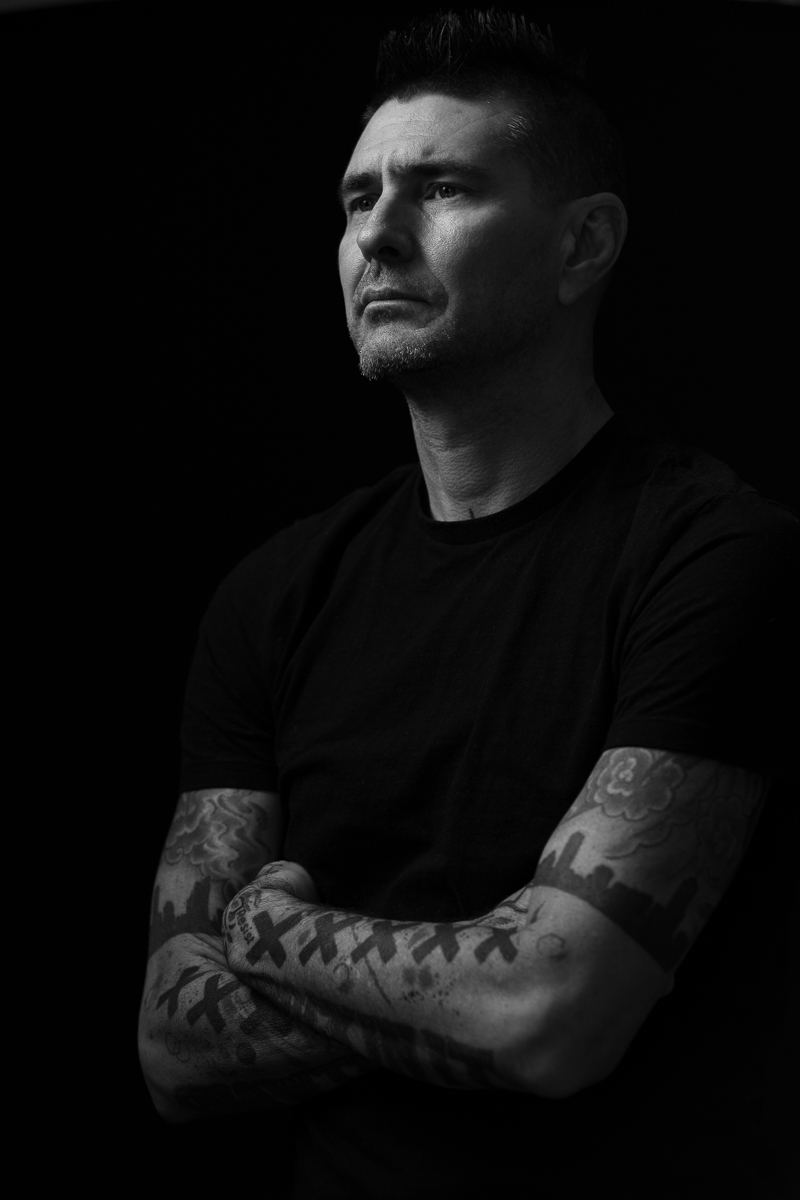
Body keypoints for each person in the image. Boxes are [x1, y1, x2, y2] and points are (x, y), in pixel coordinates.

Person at [138, 10, 797, 1198]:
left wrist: (264, 932)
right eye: (356, 199)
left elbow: (547, 1014)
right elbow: (174, 1049)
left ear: (581, 245)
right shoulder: (275, 592)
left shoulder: (711, 557)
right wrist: (466, 989)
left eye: (441, 189)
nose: (376, 234)